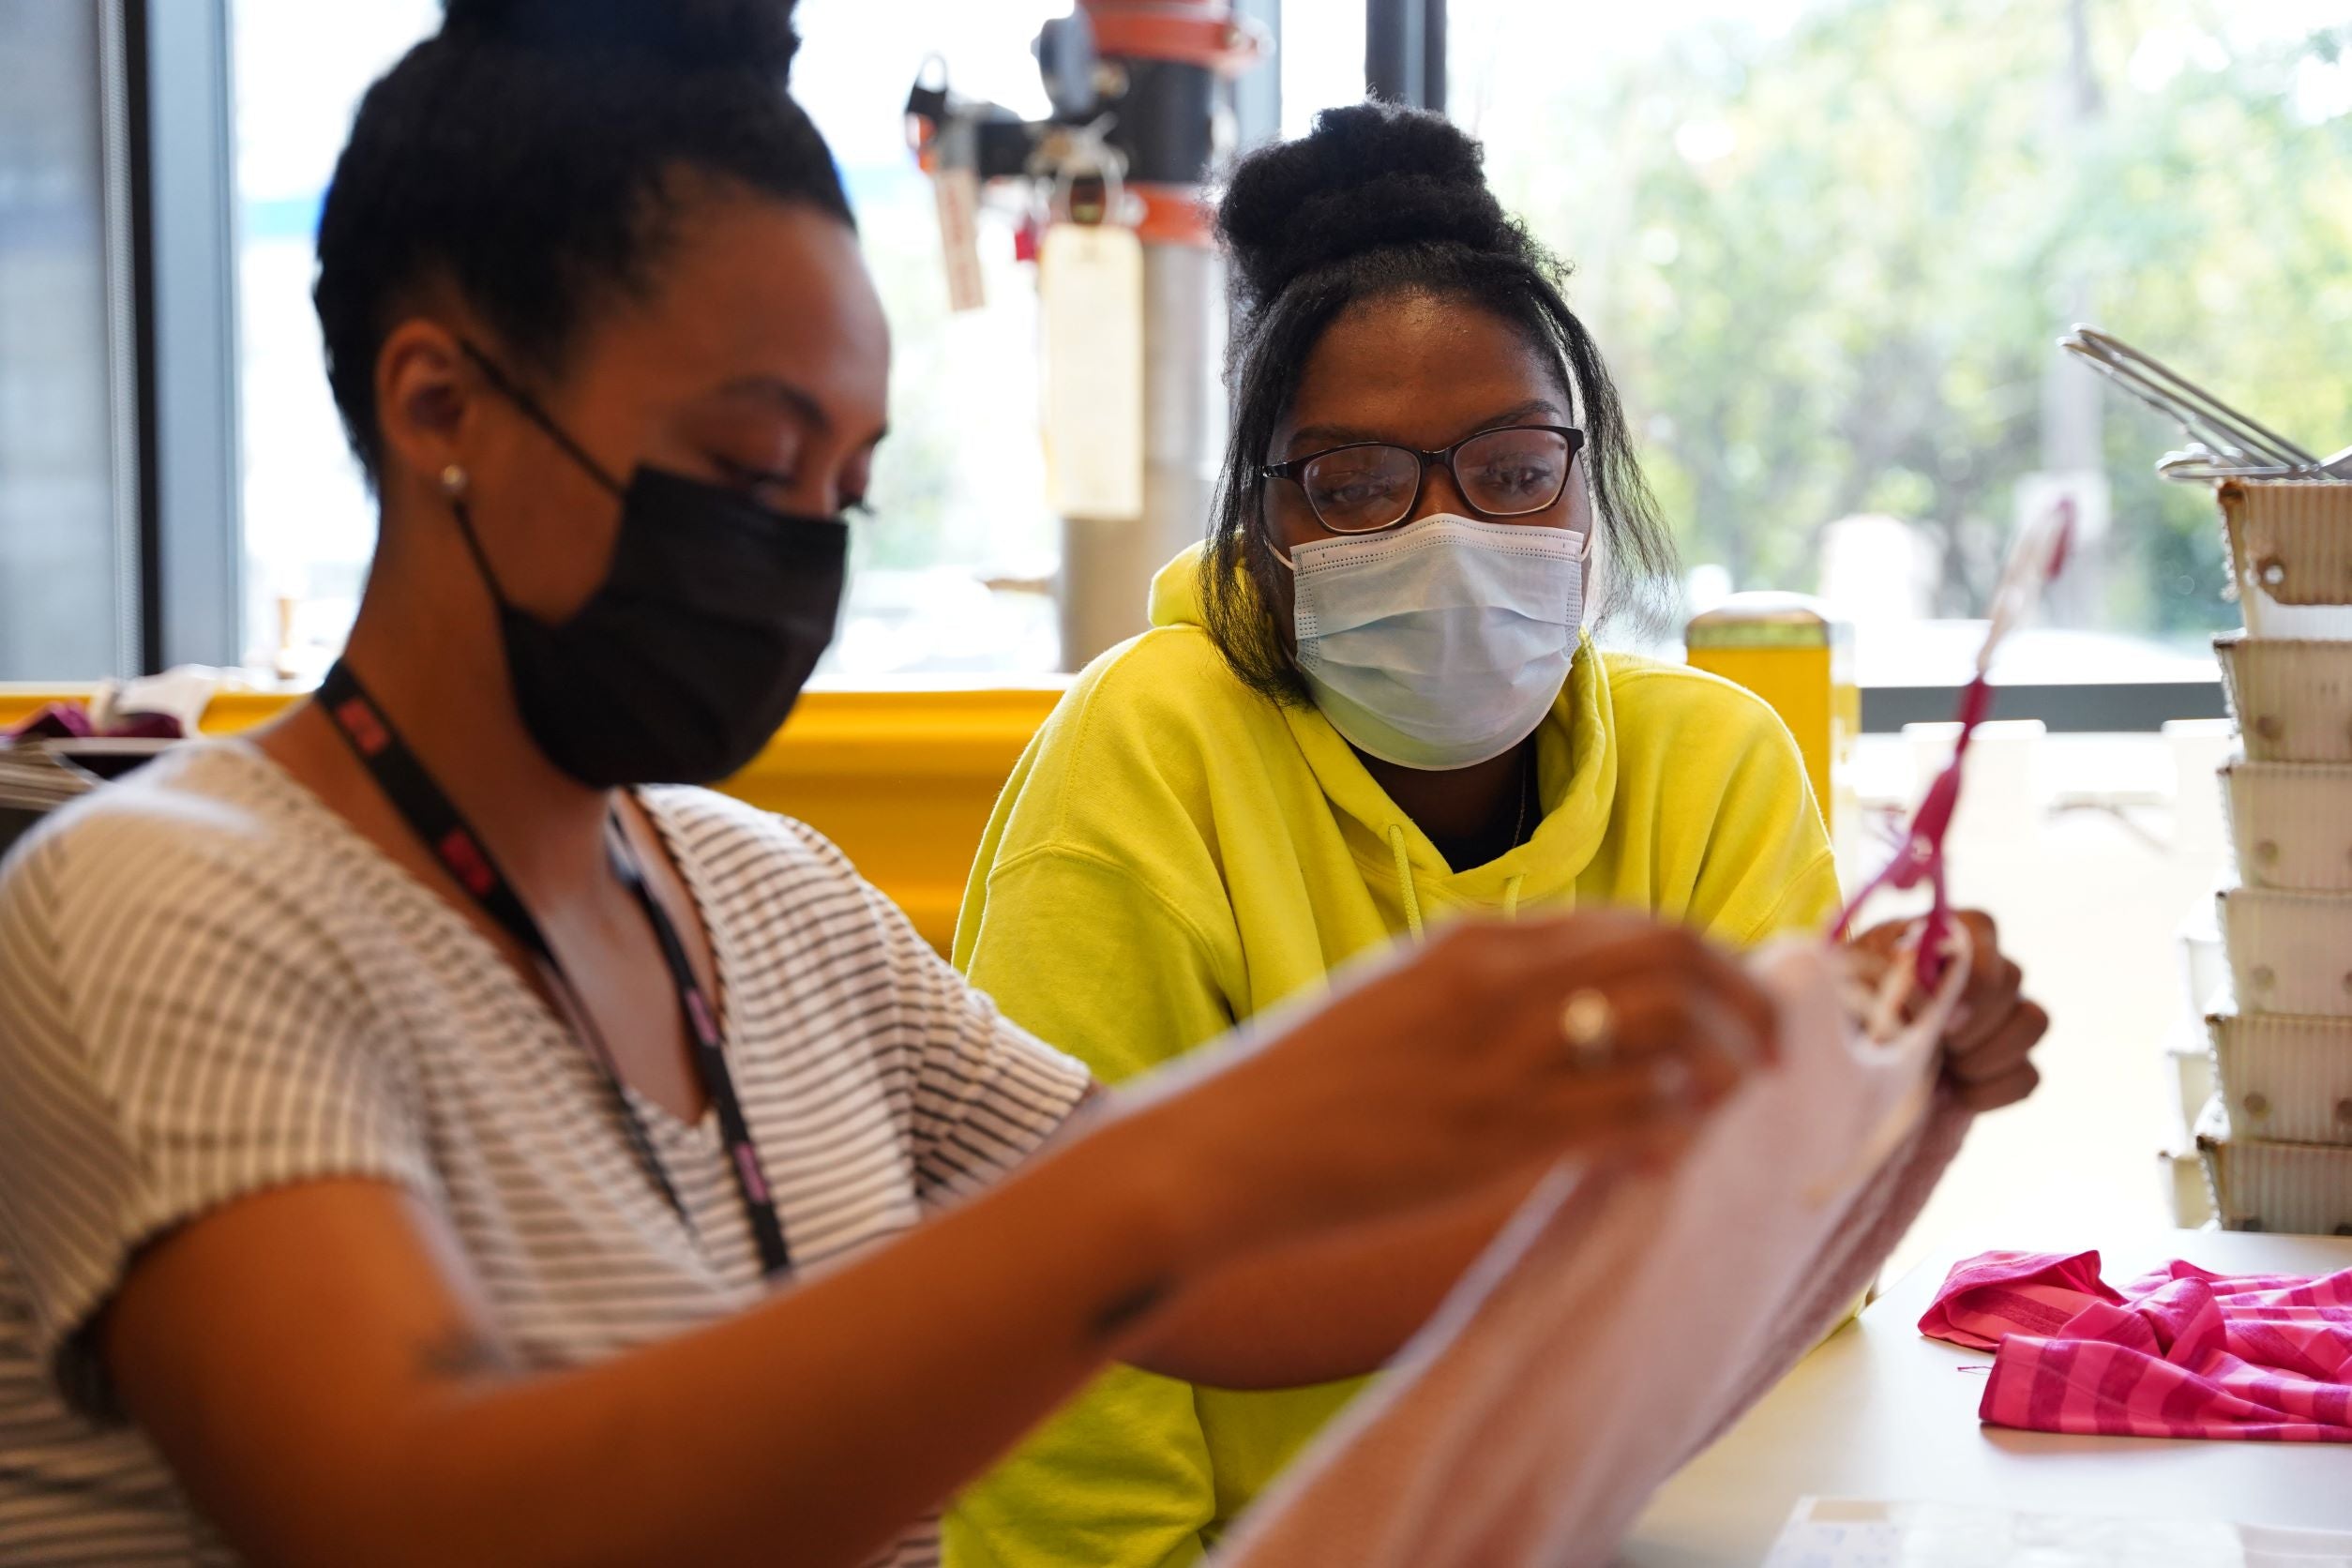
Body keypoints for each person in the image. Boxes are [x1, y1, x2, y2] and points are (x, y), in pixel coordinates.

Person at [0, 8, 1800, 1567]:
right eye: (748, 461)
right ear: (438, 405)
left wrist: (1785, 1138)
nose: (794, 549)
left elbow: (1233, 1290)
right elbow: (408, 1511)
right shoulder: (168, 902)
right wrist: (1204, 1163)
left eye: (843, 488)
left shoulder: (763, 904)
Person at [943, 103, 2049, 1568]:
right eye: (1355, 485)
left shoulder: (1711, 764)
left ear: (1588, 480)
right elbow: (1064, 1351)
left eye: (1515, 469)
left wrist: (1878, 1078)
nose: (1447, 531)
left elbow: (1796, 1261)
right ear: (1263, 518)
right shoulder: (1147, 754)